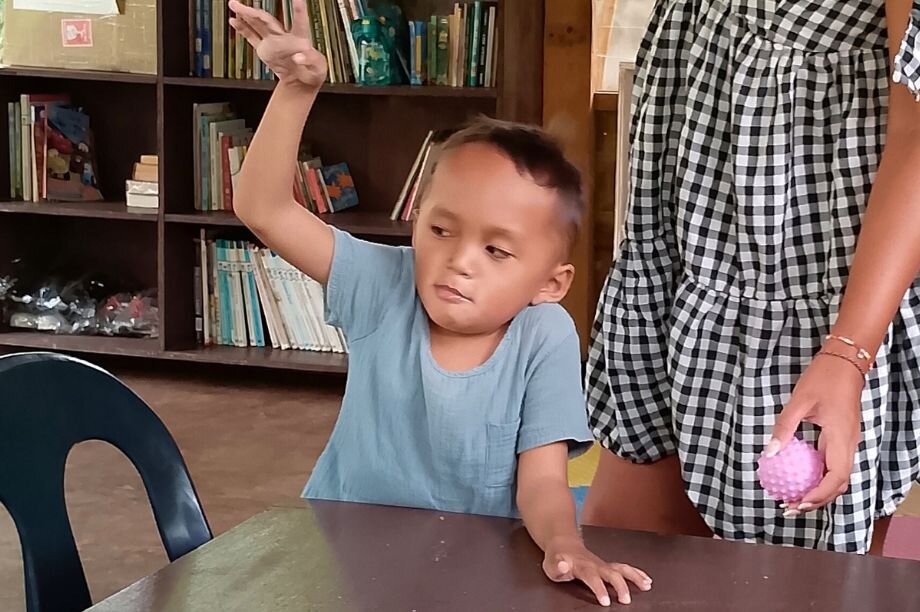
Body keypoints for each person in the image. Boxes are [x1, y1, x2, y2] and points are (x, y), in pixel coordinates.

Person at [227, 0, 653, 605]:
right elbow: (263, 208)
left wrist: (566, 544)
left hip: (474, 570)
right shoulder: (383, 283)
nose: (459, 261)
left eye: (497, 250)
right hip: (340, 556)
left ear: (549, 284)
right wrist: (296, 88)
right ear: (417, 219)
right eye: (441, 230)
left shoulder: (545, 335)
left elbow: (542, 480)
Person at [583, 0, 920, 555]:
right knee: (620, 553)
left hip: (816, 256)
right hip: (689, 205)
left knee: (801, 576)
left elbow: (917, 134)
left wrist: (848, 352)